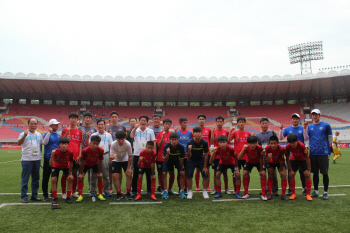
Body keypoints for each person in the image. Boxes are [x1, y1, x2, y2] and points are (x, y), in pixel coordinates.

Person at [304, 109, 332, 200]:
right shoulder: (310, 127)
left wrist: (328, 150)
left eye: (316, 115)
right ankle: (316, 191)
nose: (314, 116)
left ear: (319, 115)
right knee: (315, 173)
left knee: (324, 173)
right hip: (313, 153)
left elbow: (330, 138)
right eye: (313, 115)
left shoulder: (326, 125)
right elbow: (307, 138)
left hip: (323, 153)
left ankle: (325, 192)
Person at [279, 113, 307, 196]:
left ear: (299, 120)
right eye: (293, 119)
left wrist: (305, 129)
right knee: (291, 172)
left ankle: (304, 188)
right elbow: (281, 138)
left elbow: (306, 138)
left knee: (302, 172)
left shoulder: (302, 128)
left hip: (301, 153)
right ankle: (290, 189)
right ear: (291, 120)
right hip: (291, 153)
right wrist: (280, 130)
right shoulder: (287, 129)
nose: (295, 120)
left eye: (297, 119)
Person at [17, 118, 43, 203]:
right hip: (27, 160)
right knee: (25, 179)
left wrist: (39, 156)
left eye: (35, 124)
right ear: (28, 124)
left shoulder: (39, 134)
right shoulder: (23, 133)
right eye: (31, 123)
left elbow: (40, 146)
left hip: (36, 160)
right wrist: (24, 135)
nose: (33, 125)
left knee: (36, 178)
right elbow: (18, 143)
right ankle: (24, 196)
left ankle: (34, 195)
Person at [130, 115, 156, 196]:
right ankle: (134, 190)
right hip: (137, 154)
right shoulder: (135, 130)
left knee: (149, 173)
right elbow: (131, 136)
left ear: (147, 122)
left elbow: (154, 142)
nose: (143, 122)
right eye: (141, 120)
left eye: (144, 120)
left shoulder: (150, 131)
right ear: (139, 121)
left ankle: (149, 190)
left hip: (148, 154)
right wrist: (135, 128)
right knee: (136, 173)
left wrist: (154, 152)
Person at [77, 135, 106, 202]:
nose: (95, 145)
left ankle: (100, 194)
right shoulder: (85, 150)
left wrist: (99, 172)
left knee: (99, 176)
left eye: (97, 144)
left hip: (95, 164)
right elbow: (82, 162)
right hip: (86, 164)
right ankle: (80, 195)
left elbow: (100, 161)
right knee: (81, 177)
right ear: (90, 143)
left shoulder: (101, 150)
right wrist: (81, 173)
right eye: (94, 143)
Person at [238, 136, 267, 201]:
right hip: (249, 161)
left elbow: (261, 159)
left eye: (254, 143)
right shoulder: (246, 148)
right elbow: (239, 158)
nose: (252, 145)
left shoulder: (259, 148)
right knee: (245, 173)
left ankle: (263, 194)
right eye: (250, 143)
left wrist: (261, 170)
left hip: (258, 162)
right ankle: (246, 193)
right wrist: (243, 150)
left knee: (263, 174)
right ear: (248, 143)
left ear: (257, 143)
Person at [61, 112, 83, 198]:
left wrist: (80, 155)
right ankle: (63, 192)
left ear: (77, 120)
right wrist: (67, 133)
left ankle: (73, 191)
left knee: (74, 173)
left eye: (75, 118)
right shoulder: (65, 130)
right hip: (67, 156)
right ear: (69, 119)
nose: (73, 120)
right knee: (65, 174)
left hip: (76, 156)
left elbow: (80, 144)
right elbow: (62, 141)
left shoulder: (79, 132)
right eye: (72, 118)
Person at [285, 134, 312, 201]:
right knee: (291, 175)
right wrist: (290, 170)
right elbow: (287, 159)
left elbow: (307, 158)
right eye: (290, 143)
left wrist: (308, 170)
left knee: (307, 175)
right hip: (294, 159)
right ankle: (293, 194)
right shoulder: (288, 146)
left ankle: (308, 194)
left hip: (303, 160)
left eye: (293, 142)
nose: (292, 144)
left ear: (297, 141)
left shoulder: (301, 145)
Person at [228, 117, 251, 195]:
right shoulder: (235, 133)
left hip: (246, 157)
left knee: (246, 173)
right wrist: (231, 131)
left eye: (243, 122)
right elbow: (228, 140)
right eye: (240, 122)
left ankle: (246, 190)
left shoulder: (248, 133)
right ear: (237, 123)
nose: (241, 123)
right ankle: (235, 189)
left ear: (245, 123)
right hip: (237, 157)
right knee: (236, 173)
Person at [90, 120, 113, 197]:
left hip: (105, 155)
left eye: (102, 124)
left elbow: (111, 147)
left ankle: (106, 190)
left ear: (104, 125)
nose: (100, 126)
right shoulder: (93, 135)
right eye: (99, 124)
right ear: (97, 125)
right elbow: (90, 146)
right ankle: (93, 191)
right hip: (95, 155)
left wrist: (110, 157)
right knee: (93, 174)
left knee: (105, 173)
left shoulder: (108, 135)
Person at [256, 117, 278, 196]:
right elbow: (257, 146)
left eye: (266, 123)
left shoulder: (272, 133)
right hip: (262, 156)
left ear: (268, 124)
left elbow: (276, 143)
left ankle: (274, 190)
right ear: (260, 125)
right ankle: (264, 189)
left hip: (271, 155)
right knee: (262, 172)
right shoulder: (257, 134)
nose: (264, 125)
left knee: (273, 173)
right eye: (263, 123)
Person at [186, 126, 209, 199]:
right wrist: (189, 150)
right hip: (191, 160)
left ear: (201, 133)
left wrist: (205, 167)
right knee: (189, 175)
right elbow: (189, 156)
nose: (198, 134)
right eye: (196, 132)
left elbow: (206, 155)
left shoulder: (204, 142)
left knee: (205, 174)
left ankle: (205, 191)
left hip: (201, 159)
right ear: (193, 133)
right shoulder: (190, 142)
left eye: (199, 132)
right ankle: (189, 191)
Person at [161, 133, 186, 199]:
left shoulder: (181, 147)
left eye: (175, 139)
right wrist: (168, 153)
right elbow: (165, 160)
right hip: (168, 161)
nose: (174, 141)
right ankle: (166, 191)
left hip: (177, 160)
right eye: (172, 139)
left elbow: (182, 158)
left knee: (182, 174)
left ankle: (181, 191)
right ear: (170, 140)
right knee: (164, 173)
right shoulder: (166, 146)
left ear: (177, 139)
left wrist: (182, 169)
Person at [50, 137, 74, 204]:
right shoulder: (56, 152)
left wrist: (70, 173)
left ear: (67, 145)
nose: (64, 145)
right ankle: (55, 197)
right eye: (62, 144)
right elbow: (51, 164)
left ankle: (68, 197)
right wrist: (52, 155)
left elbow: (71, 163)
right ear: (59, 145)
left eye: (65, 144)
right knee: (53, 179)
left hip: (65, 166)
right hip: (56, 166)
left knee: (70, 179)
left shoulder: (70, 152)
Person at [110, 131, 133, 200]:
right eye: (119, 139)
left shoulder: (128, 144)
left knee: (129, 174)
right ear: (116, 139)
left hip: (125, 160)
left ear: (125, 138)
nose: (121, 141)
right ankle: (118, 193)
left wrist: (128, 168)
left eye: (122, 139)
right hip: (116, 160)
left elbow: (130, 156)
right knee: (114, 176)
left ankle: (128, 193)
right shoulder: (113, 144)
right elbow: (110, 156)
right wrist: (112, 157)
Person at [42, 119, 61, 201]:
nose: (57, 125)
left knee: (55, 177)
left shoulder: (58, 135)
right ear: (50, 126)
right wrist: (49, 133)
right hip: (48, 157)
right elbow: (44, 143)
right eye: (55, 124)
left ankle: (53, 193)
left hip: (56, 159)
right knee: (46, 177)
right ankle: (45, 194)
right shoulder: (46, 134)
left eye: (57, 124)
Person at [210, 116, 230, 195]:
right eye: (217, 121)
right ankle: (215, 188)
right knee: (216, 173)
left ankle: (226, 189)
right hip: (216, 156)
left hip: (224, 156)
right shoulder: (214, 132)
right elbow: (212, 142)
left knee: (225, 172)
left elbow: (228, 142)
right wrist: (212, 133)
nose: (219, 123)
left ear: (223, 122)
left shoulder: (226, 132)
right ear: (216, 122)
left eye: (220, 121)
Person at [108, 111, 127, 192]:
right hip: (111, 151)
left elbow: (124, 139)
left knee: (119, 170)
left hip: (120, 151)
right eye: (112, 117)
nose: (114, 118)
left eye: (115, 116)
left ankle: (119, 186)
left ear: (118, 118)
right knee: (110, 170)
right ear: (110, 118)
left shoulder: (122, 127)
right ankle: (110, 187)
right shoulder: (108, 127)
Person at [264, 136, 288, 200]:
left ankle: (283, 194)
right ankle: (269, 193)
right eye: (271, 143)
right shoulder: (267, 148)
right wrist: (268, 157)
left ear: (278, 143)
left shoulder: (281, 149)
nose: (273, 145)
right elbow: (266, 161)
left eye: (275, 143)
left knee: (283, 175)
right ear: (269, 143)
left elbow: (281, 160)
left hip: (279, 162)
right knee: (270, 174)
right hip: (271, 162)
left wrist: (280, 169)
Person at [195, 114, 212, 192]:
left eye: (203, 119)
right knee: (197, 170)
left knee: (207, 169)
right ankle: (197, 186)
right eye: (200, 119)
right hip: (197, 152)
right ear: (198, 120)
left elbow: (211, 141)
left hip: (206, 153)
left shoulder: (208, 130)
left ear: (205, 120)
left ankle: (207, 186)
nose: (201, 120)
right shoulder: (195, 130)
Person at [156, 118, 172, 194]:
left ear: (171, 125)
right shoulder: (159, 134)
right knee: (161, 173)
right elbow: (158, 145)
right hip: (160, 157)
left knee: (170, 173)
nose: (167, 126)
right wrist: (162, 137)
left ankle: (169, 189)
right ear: (163, 125)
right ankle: (161, 187)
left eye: (169, 124)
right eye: (166, 124)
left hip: (170, 157)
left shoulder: (172, 134)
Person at [176, 117, 192, 193]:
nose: (185, 124)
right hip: (179, 156)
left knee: (186, 172)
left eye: (186, 123)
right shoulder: (177, 133)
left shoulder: (190, 133)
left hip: (187, 156)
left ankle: (185, 188)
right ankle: (180, 188)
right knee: (179, 173)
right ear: (180, 123)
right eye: (184, 123)